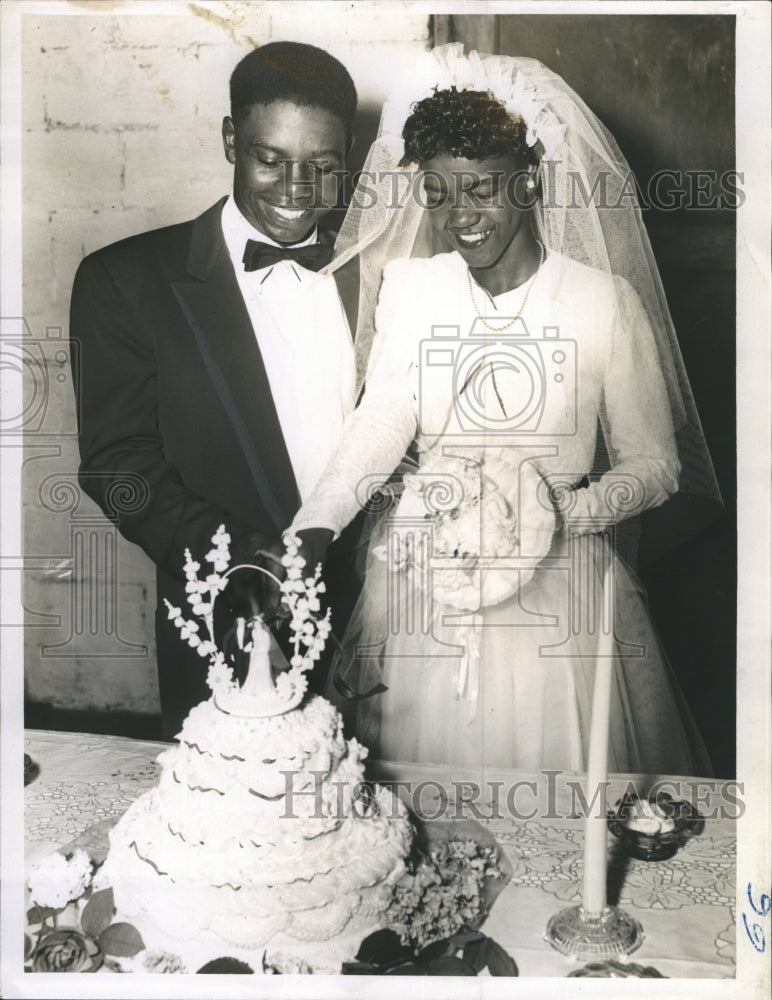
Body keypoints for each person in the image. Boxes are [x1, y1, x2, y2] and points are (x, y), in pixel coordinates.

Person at [290, 44, 719, 774]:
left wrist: (552, 517)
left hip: (563, 597)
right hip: (427, 585)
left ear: (529, 180)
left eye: (483, 187)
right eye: (438, 192)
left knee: (555, 785)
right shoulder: (411, 288)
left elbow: (657, 464)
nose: (462, 215)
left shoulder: (602, 301)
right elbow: (383, 417)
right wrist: (315, 525)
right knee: (418, 789)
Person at [71, 42, 360, 740]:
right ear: (231, 138)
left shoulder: (382, 270)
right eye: (270, 159)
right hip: (228, 622)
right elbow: (118, 467)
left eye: (322, 167)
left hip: (383, 631)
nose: (296, 191)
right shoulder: (125, 281)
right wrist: (240, 560)